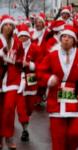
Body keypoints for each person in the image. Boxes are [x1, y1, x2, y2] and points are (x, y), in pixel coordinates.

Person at [37, 25, 78, 150]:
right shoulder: (52, 55)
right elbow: (40, 71)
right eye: (64, 37)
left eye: (69, 37)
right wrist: (49, 79)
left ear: (74, 40)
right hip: (56, 98)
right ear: (60, 39)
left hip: (76, 97)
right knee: (58, 137)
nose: (66, 40)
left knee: (77, 133)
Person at [0, 14, 25, 150]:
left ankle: (9, 136)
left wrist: (20, 61)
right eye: (6, 24)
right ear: (2, 26)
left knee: (9, 108)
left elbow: (21, 54)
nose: (8, 27)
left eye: (11, 25)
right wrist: (2, 53)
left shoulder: (17, 42)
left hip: (12, 78)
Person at [17, 24, 43, 141]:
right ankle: (25, 129)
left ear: (29, 37)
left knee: (29, 108)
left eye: (25, 36)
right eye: (20, 36)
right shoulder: (14, 47)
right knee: (21, 107)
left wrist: (30, 65)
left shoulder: (36, 48)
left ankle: (26, 120)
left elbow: (41, 65)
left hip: (31, 82)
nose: (22, 38)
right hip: (18, 81)